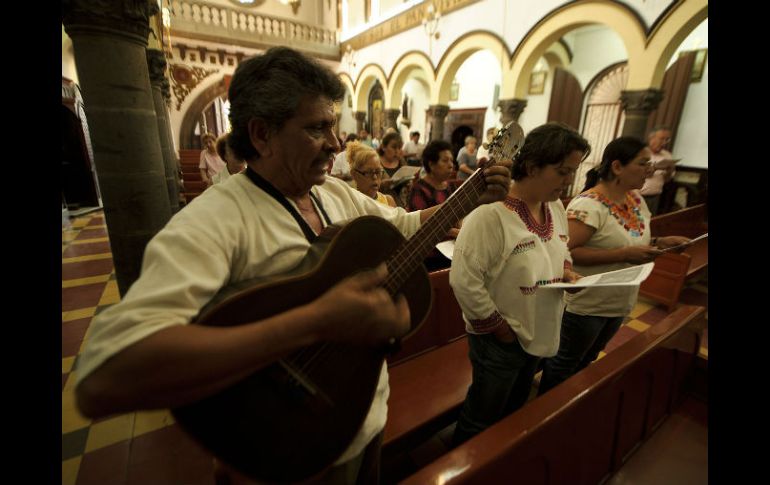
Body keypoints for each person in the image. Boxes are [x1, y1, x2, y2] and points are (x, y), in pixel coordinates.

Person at [74, 46, 512, 485]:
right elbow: (105, 378)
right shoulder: (213, 221)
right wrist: (317, 321)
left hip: (363, 417)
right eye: (317, 128)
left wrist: (470, 196)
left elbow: (404, 224)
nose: (337, 143)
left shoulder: (333, 194)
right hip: (281, 447)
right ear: (262, 134)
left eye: (334, 126)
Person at [449, 122, 588, 447]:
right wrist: (500, 329)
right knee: (482, 416)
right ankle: (464, 466)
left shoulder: (554, 206)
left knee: (513, 410)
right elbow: (464, 280)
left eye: (572, 172)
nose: (569, 180)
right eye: (563, 171)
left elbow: (561, 246)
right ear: (531, 166)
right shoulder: (489, 216)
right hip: (501, 339)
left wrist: (567, 273)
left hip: (538, 326)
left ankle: (497, 462)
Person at [538, 137, 691, 395]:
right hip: (586, 305)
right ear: (618, 167)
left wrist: (659, 241)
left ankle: (568, 406)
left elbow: (628, 237)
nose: (649, 170)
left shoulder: (635, 200)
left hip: (619, 299)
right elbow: (567, 252)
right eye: (643, 164)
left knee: (587, 361)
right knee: (563, 365)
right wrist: (624, 253)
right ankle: (545, 416)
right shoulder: (589, 205)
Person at [408, 139, 460, 271]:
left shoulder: (450, 186)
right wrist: (457, 233)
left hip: (452, 247)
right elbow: (424, 225)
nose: (451, 165)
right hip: (430, 252)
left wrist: (460, 229)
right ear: (431, 164)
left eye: (451, 161)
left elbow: (459, 213)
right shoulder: (420, 189)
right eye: (445, 160)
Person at [639, 126, 677, 215]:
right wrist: (655, 167)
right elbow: (637, 175)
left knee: (650, 223)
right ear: (651, 138)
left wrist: (670, 170)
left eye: (667, 140)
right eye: (662, 139)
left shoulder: (667, 155)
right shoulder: (641, 152)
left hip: (655, 197)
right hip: (638, 196)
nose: (664, 143)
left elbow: (667, 180)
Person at [348, 141, 397, 207]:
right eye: (368, 172)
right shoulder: (350, 203)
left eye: (378, 171)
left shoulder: (389, 201)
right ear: (354, 174)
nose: (374, 177)